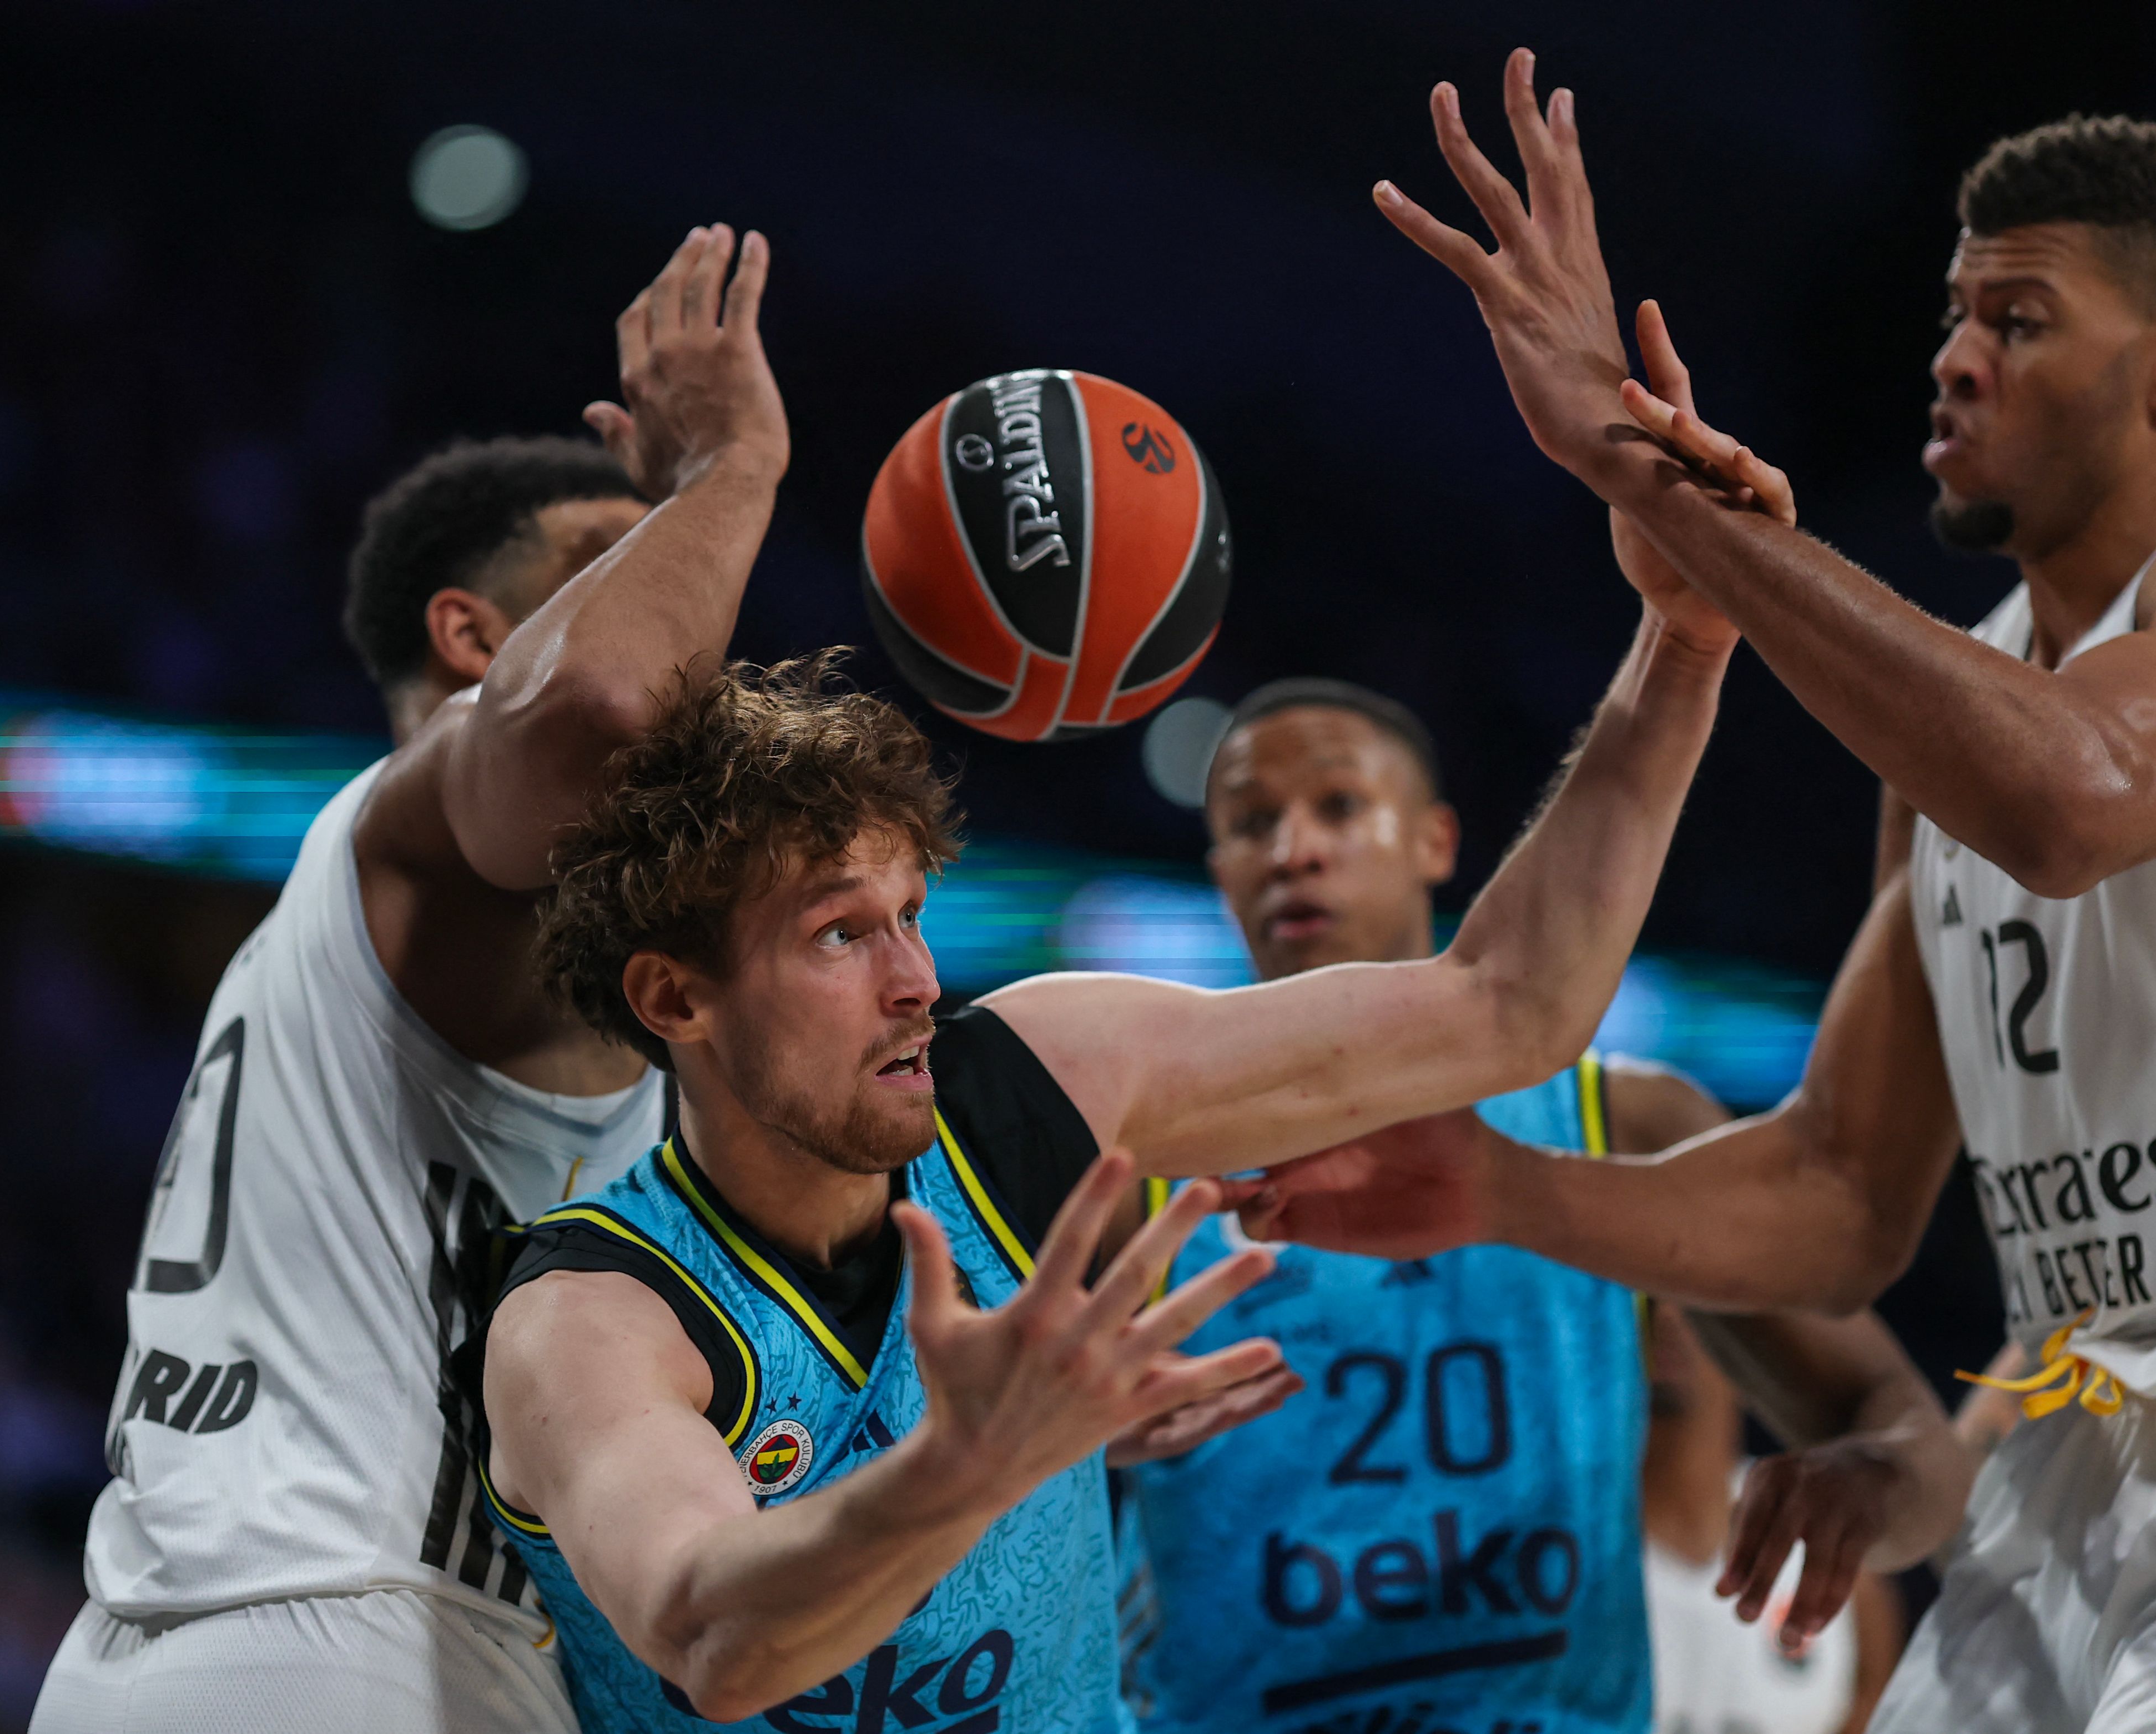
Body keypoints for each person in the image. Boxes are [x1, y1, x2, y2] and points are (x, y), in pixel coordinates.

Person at [1241, 53, 2156, 1732]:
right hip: (2061, 1494)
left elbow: (2072, 800)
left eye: (2015, 319)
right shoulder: (1956, 728)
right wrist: (1499, 1185)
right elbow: (1841, 1191)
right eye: (1950, 316)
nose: (1951, 360)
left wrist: (1647, 485)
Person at [470, 459, 1775, 1733]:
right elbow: (716, 1639)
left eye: (911, 914)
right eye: (837, 935)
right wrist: (973, 1463)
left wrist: (1687, 635)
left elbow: (1511, 1006)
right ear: (674, 998)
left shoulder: (1026, 1081)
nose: (917, 978)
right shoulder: (588, 1319)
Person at [32, 225, 794, 1732]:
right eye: (606, 565)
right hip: (371, 1639)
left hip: (157, 1638)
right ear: (473, 638)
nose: (674, 605)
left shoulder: (362, 946)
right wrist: (731, 476)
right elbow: (599, 703)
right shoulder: (436, 838)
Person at [1114, 678, 1958, 1734]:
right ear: (1220, 873)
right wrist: (1057, 1443)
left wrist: (1865, 1488)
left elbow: (1909, 1435)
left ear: (1434, 841)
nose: (1291, 848)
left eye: (1335, 806)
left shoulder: (1622, 1119)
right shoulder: (1134, 1158)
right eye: (1249, 823)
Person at [1639, 1304, 1902, 1734]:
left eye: (1689, 1300)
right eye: (1645, 1301)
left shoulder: (1843, 1576)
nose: (1666, 1316)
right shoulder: (1555, 1552)